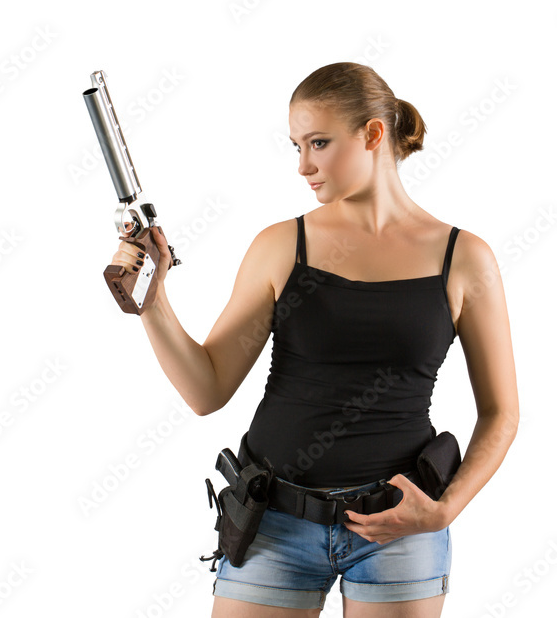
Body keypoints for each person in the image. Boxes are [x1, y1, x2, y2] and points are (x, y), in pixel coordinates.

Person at [109, 62, 519, 618]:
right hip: (274, 521)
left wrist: (444, 510)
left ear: (373, 135)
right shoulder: (282, 246)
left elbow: (501, 413)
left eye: (319, 143)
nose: (303, 165)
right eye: (296, 145)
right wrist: (152, 301)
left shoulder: (465, 259)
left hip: (397, 526)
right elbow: (206, 390)